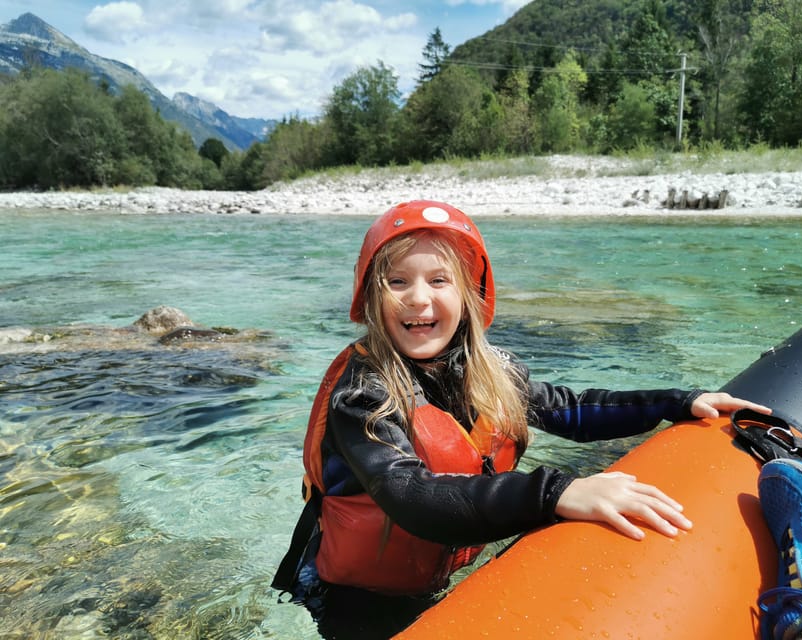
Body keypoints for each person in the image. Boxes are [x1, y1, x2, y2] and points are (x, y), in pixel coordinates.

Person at [272, 200, 772, 639]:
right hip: (355, 598)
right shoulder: (363, 394)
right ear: (371, 298)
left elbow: (573, 409)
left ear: (470, 296)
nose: (418, 298)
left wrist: (679, 402)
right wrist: (555, 492)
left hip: (432, 569)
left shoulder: (489, 371)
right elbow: (411, 497)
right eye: (397, 282)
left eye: (439, 280)